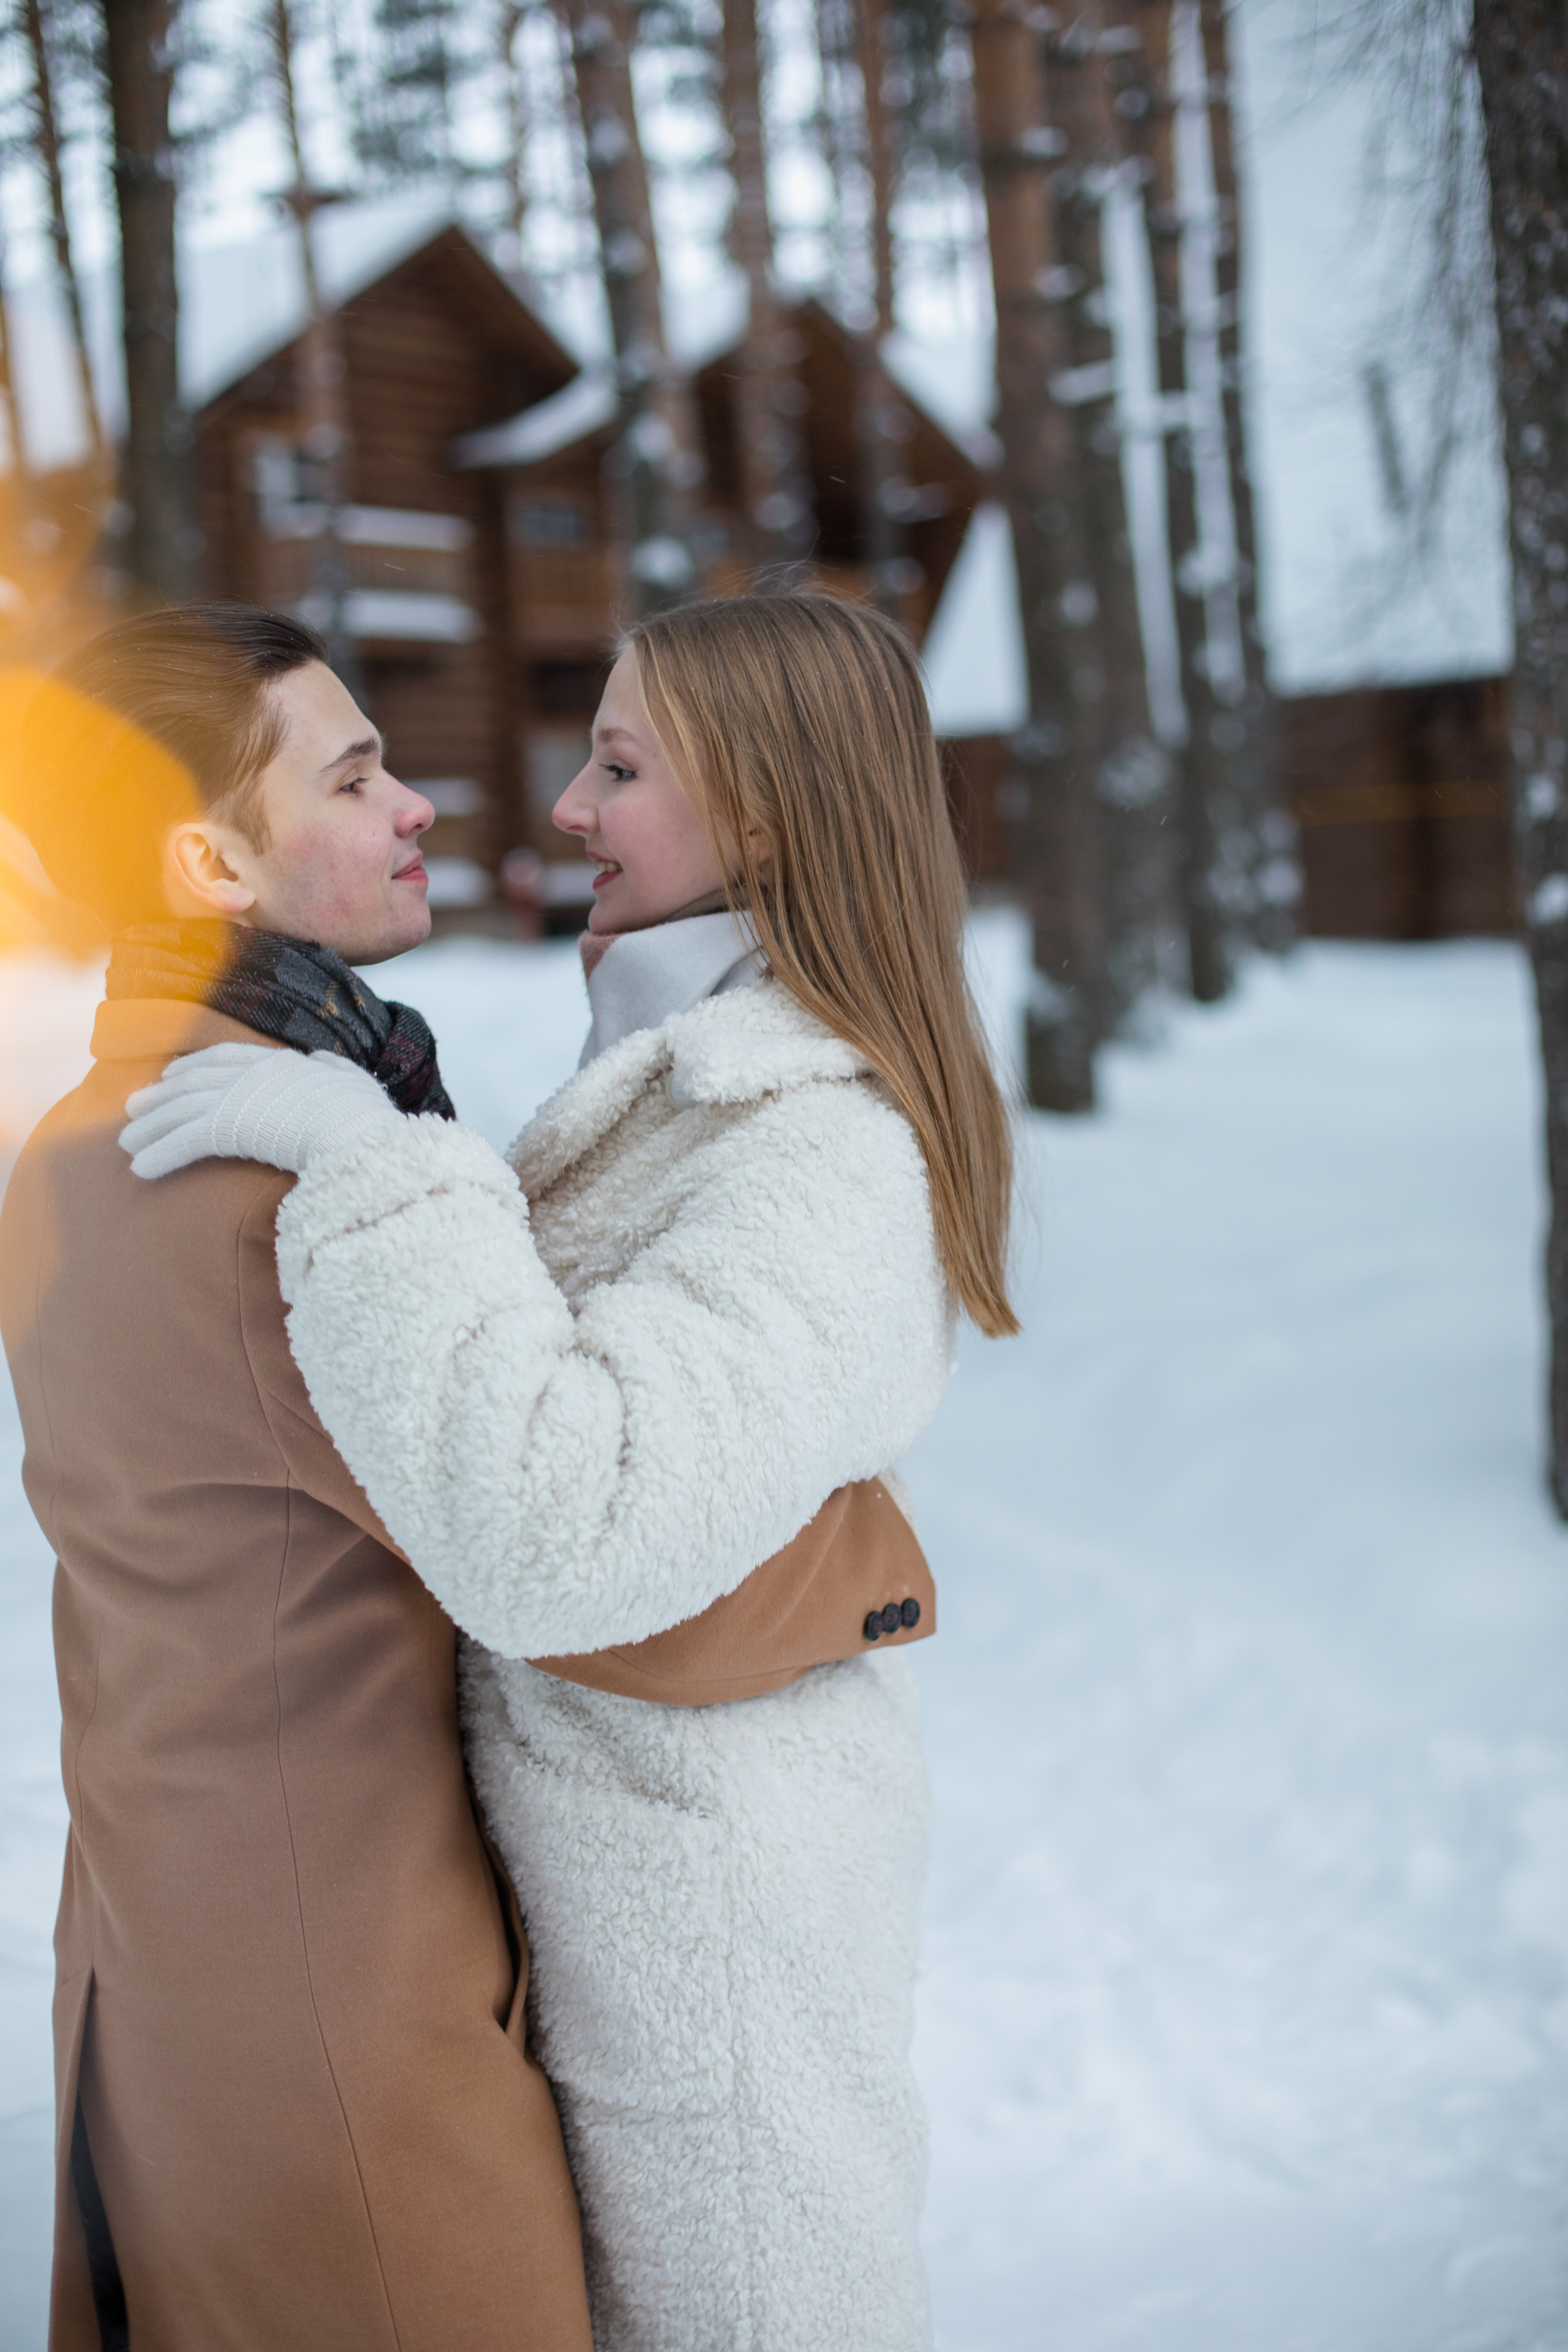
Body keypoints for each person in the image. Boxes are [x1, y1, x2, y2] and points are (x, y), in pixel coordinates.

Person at [1, 601, 926, 2352]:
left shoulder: (89, 1132)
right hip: (343, 1996)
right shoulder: (268, 1189)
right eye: (355, 778)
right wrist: (877, 1563)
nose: (423, 802)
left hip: (173, 1947)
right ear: (209, 861)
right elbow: (599, 1582)